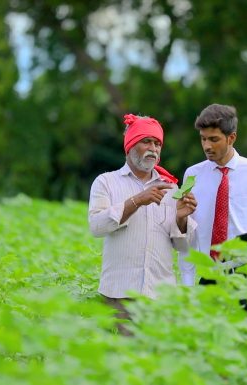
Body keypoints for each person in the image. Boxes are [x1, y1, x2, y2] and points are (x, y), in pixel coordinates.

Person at [89, 113, 198, 334]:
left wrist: (182, 218)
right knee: (124, 362)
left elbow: (184, 247)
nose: (153, 148)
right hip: (120, 295)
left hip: (161, 296)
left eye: (157, 143)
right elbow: (97, 226)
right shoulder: (106, 182)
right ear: (129, 146)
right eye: (146, 141)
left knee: (158, 364)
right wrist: (137, 200)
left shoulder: (171, 189)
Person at [178, 103, 247, 289]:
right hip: (210, 271)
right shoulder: (192, 175)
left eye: (214, 139)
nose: (207, 146)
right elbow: (188, 232)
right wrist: (187, 281)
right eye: (203, 139)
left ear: (231, 138)